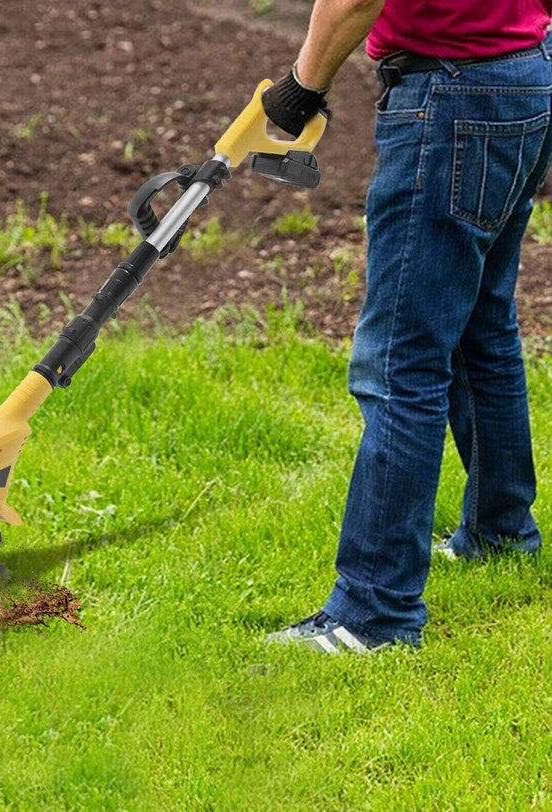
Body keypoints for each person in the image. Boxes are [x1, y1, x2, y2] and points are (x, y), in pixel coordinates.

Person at [263, 0, 552, 652]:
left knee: (401, 361)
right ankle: (501, 532)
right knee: (481, 324)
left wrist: (302, 86)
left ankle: (373, 615)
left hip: (455, 95)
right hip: (524, 74)